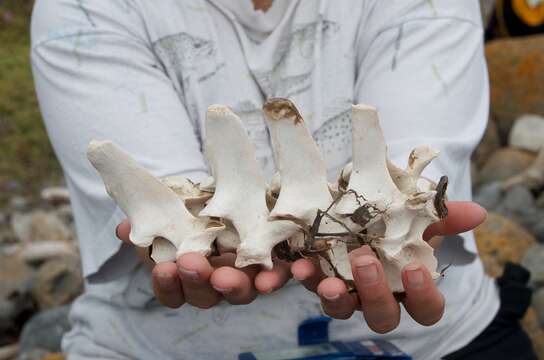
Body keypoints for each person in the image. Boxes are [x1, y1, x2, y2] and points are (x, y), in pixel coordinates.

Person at [30, 0, 536, 359]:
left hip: (438, 342)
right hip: (149, 348)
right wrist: (197, 242)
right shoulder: (83, 10)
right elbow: (163, 204)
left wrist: (406, 213)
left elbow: (405, 173)